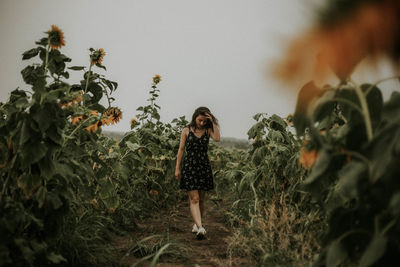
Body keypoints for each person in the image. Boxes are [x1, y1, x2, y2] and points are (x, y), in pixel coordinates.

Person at [175, 107, 220, 240]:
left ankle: (196, 223)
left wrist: (213, 122)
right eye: (200, 120)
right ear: (195, 117)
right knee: (194, 199)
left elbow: (217, 138)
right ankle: (200, 227)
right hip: (189, 166)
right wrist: (177, 168)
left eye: (204, 121)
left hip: (203, 166)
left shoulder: (208, 130)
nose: (202, 123)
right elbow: (181, 150)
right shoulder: (186, 130)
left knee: (201, 199)